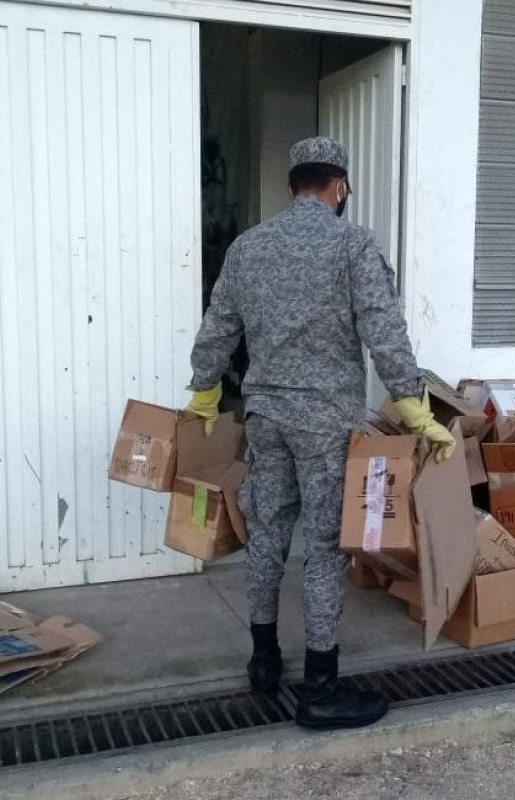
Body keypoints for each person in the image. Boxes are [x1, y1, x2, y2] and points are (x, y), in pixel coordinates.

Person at [185, 137, 455, 730]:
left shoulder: (248, 247)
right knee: (326, 549)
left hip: (266, 419)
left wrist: (205, 394)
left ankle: (262, 662)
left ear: (291, 187)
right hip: (326, 423)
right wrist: (415, 411)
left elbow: (217, 328)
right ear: (339, 188)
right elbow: (384, 332)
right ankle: (320, 689)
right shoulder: (352, 243)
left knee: (266, 535)